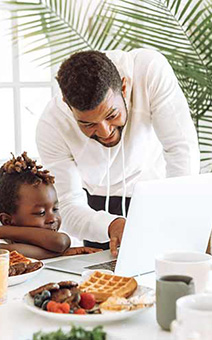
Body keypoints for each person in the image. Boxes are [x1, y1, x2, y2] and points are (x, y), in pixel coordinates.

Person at [36, 49, 200, 257]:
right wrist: (110, 224)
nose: (105, 132)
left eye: (112, 115)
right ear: (68, 107)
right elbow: (67, 205)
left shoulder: (149, 70)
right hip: (94, 208)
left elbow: (181, 148)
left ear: (124, 87)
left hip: (156, 193)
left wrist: (173, 213)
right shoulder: (51, 125)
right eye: (88, 124)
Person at [0, 152, 100, 259]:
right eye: (41, 212)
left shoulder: (48, 240)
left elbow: (61, 242)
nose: (52, 218)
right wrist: (61, 253)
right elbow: (59, 242)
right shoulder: (3, 243)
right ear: (7, 220)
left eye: (55, 209)